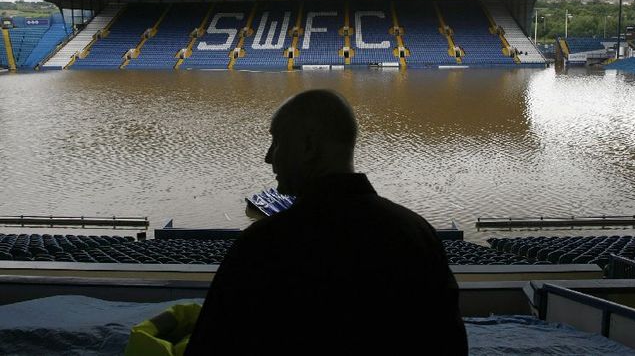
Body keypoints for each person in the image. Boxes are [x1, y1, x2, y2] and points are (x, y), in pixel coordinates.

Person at [186, 89, 468, 354]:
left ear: (308, 145)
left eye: (277, 141)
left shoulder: (262, 245)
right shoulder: (419, 233)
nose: (268, 157)